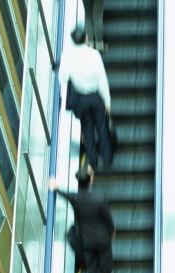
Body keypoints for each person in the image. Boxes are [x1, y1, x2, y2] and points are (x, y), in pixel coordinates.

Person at [49, 167, 116, 273]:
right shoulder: (100, 199)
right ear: (90, 180)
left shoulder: (75, 198)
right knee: (106, 258)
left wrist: (56, 188)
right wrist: (112, 230)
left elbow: (64, 194)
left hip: (87, 239)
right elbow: (108, 218)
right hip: (102, 237)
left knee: (91, 262)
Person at [60, 26, 112, 168]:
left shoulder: (67, 56)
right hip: (95, 97)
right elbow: (102, 81)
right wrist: (107, 102)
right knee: (102, 127)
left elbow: (63, 77)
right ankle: (107, 158)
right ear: (86, 38)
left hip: (80, 99)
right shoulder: (94, 55)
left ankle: (93, 160)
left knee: (87, 129)